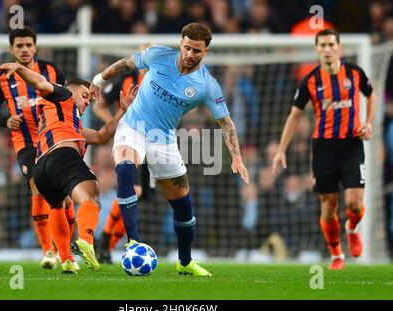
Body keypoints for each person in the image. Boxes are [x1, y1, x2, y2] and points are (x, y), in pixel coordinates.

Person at [90, 22, 249, 276]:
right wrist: (98, 79)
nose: (190, 54)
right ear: (181, 43)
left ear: (205, 51)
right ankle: (133, 243)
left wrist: (237, 158)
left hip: (163, 140)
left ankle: (185, 263)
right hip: (133, 126)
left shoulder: (207, 85)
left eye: (196, 51)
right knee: (126, 168)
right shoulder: (158, 56)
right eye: (186, 48)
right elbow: (126, 64)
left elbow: (226, 122)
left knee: (183, 206)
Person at [0, 61, 138, 273]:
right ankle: (86, 241)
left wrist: (122, 110)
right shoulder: (63, 95)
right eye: (85, 96)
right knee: (91, 197)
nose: (88, 102)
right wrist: (20, 68)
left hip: (41, 168)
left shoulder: (70, 122)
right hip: (62, 155)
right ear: (72, 91)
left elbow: (102, 136)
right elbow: (42, 83)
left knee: (58, 205)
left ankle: (67, 260)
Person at [272, 29, 376, 270]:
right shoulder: (310, 80)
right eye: (323, 45)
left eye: (331, 44)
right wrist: (281, 150)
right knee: (329, 205)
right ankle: (337, 253)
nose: (327, 49)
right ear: (317, 50)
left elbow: (371, 95)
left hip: (351, 144)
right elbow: (295, 116)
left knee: (354, 203)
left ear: (339, 47)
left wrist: (368, 123)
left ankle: (351, 228)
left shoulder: (355, 73)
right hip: (323, 148)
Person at [0, 26, 71, 270]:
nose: (24, 50)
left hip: (53, 139)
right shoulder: (0, 79)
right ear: (11, 49)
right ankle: (48, 251)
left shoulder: (53, 71)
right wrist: (6, 120)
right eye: (19, 46)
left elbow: (64, 99)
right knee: (38, 187)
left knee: (64, 197)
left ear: (35, 46)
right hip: (26, 143)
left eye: (28, 45)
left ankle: (68, 251)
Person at [94, 43, 153, 264]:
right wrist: (115, 125)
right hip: (131, 141)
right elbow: (99, 106)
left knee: (139, 196)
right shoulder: (125, 80)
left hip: (155, 144)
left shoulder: (163, 80)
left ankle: (105, 247)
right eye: (143, 54)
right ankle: (107, 237)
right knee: (134, 189)